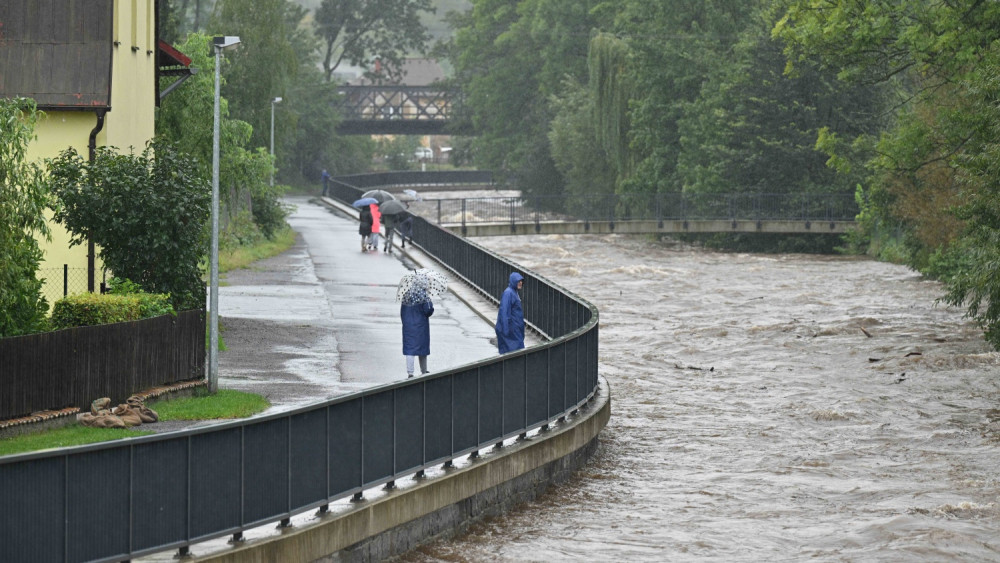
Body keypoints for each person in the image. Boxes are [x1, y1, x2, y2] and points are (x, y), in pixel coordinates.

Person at [400, 289, 434, 377]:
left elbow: (402, 311)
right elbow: (428, 310)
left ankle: (410, 372)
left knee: (410, 349)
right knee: (422, 348)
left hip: (408, 325)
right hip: (420, 326)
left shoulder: (406, 295)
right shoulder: (423, 295)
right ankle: (424, 371)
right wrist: (429, 302)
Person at [495, 272, 525, 354]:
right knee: (515, 354)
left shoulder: (514, 292)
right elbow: (504, 312)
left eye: (521, 281)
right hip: (511, 331)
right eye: (518, 281)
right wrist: (505, 331)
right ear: (513, 281)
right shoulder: (509, 293)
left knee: (515, 353)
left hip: (514, 330)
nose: (520, 283)